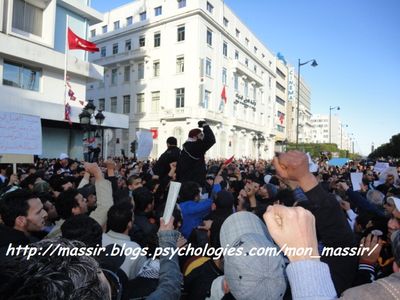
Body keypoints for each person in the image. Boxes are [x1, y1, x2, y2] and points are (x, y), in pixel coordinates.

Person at [0, 189, 48, 261]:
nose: (45, 214)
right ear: (21, 220)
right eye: (38, 212)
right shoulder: (14, 258)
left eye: (43, 208)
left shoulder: (30, 238)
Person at [176, 120, 216, 186]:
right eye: (201, 135)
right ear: (194, 137)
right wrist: (205, 126)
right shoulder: (195, 146)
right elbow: (211, 140)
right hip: (194, 183)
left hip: (186, 181)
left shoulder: (188, 146)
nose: (203, 137)